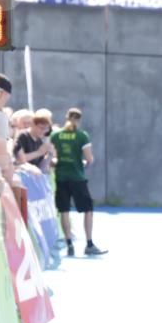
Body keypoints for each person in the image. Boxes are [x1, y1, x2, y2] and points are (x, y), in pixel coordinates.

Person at [50, 108, 107, 256]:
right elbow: (89, 159)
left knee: (64, 211)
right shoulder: (82, 136)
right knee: (88, 210)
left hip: (61, 177)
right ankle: (89, 243)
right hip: (77, 178)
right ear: (79, 119)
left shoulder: (56, 135)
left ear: (66, 117)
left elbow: (53, 158)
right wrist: (81, 162)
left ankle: (69, 244)